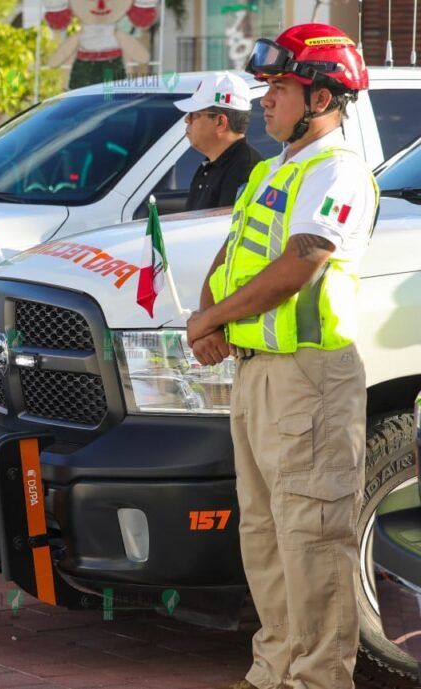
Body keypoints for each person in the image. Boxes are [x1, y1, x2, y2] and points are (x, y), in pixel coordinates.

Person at [187, 24, 378, 689]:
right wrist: (208, 314)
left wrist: (212, 316)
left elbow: (299, 264)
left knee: (313, 536)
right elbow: (237, 248)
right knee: (266, 536)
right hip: (259, 374)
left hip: (311, 379)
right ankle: (272, 671)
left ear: (321, 97)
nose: (263, 101)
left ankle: (319, 678)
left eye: (280, 88)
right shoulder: (275, 169)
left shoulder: (340, 170)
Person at [173, 72, 262, 211]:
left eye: (194, 114)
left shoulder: (246, 170)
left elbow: (225, 230)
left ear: (220, 122)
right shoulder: (210, 165)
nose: (187, 120)